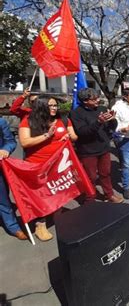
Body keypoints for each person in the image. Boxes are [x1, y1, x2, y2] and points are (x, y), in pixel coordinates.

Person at [18, 95, 79, 241]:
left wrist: (68, 138)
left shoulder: (62, 119)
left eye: (55, 105)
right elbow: (25, 142)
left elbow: (74, 137)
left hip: (58, 165)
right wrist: (47, 135)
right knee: (41, 195)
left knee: (57, 191)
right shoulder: (28, 121)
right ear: (41, 106)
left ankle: (57, 216)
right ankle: (40, 224)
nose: (54, 108)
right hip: (37, 166)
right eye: (50, 105)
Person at [69, 88, 124, 204]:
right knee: (91, 176)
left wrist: (113, 120)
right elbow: (82, 132)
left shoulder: (102, 109)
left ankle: (109, 194)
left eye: (98, 98)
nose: (98, 100)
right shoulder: (76, 113)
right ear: (85, 101)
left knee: (106, 173)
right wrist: (98, 122)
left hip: (103, 147)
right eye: (94, 99)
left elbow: (111, 128)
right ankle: (90, 198)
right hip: (87, 150)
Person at [0, 117, 28, 240]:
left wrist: (5, 149)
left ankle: (13, 227)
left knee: (3, 200)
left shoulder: (1, 122)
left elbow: (10, 141)